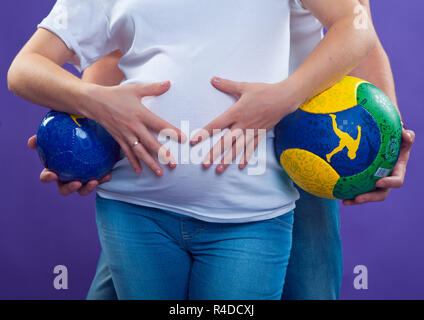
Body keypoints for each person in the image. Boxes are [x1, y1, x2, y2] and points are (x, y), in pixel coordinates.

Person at [9, 0, 379, 299]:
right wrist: (90, 130)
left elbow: (358, 26)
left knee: (308, 289)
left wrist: (382, 145)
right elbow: (107, 55)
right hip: (139, 200)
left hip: (272, 176)